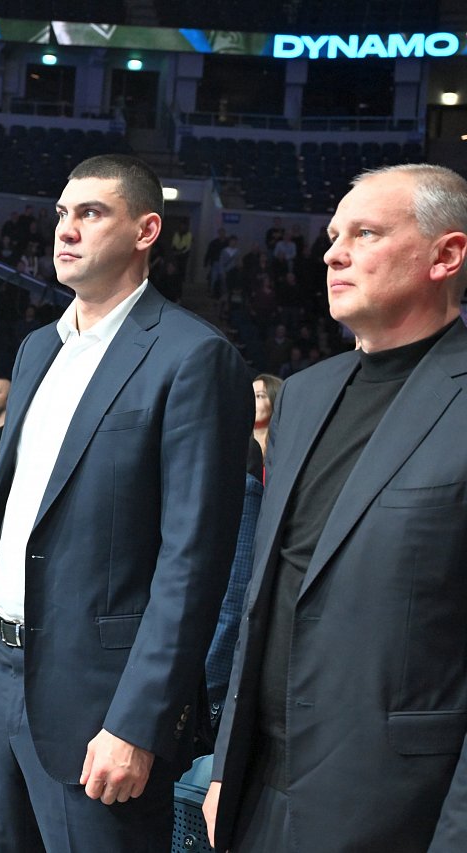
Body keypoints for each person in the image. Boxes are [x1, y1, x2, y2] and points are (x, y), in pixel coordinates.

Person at [0, 155, 251, 852]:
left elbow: (192, 564)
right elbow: (0, 522)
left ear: (146, 230)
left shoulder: (194, 356)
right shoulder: (38, 348)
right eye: (62, 214)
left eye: (91, 213)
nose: (66, 230)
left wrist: (138, 720)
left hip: (101, 703)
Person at [205, 165, 467, 853]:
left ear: (446, 255)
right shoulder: (304, 394)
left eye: (365, 233)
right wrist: (227, 768)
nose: (332, 254)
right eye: (332, 236)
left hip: (397, 810)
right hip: (258, 791)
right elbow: (268, 593)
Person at [250, 373, 282, 469]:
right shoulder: (235, 443)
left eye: (259, 396)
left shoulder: (282, 447)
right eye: (249, 396)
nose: (251, 401)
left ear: (275, 401)